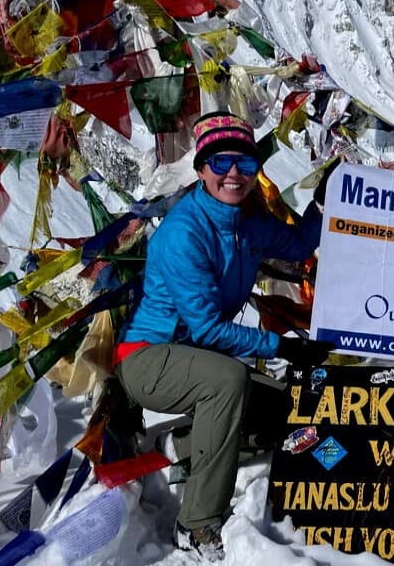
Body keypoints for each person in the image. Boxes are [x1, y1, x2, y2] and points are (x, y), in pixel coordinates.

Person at [113, 111, 334, 562]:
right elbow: (207, 328)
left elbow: (295, 246)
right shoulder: (183, 233)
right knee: (228, 381)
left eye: (246, 165)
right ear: (201, 169)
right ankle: (197, 525)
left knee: (283, 406)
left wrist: (323, 206)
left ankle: (185, 444)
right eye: (220, 163)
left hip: (197, 356)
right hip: (148, 357)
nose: (234, 174)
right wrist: (283, 347)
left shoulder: (246, 224)